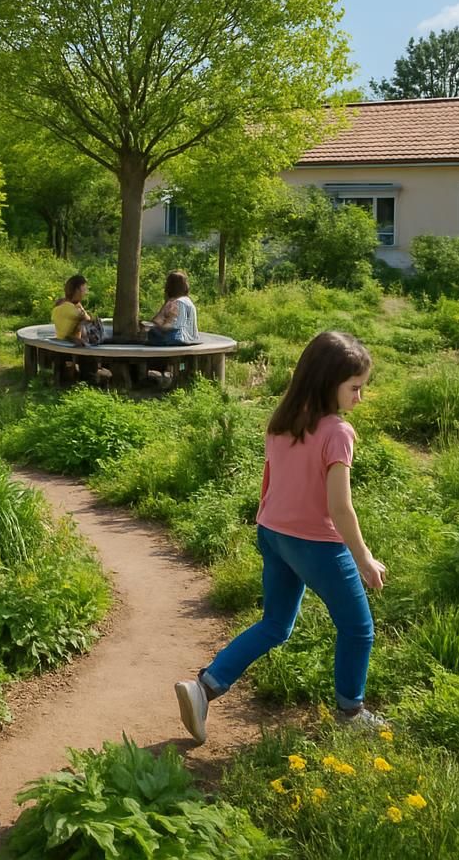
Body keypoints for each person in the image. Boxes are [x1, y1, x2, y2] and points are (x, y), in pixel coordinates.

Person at [175, 331, 385, 744]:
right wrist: (363, 558)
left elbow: (270, 481)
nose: (359, 397)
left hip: (273, 533)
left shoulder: (283, 421)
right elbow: (340, 507)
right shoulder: (337, 431)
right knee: (358, 629)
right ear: (329, 383)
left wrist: (268, 526)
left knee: (275, 623)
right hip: (317, 544)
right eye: (355, 388)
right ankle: (351, 711)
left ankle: (205, 687)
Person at [146, 270, 200, 346]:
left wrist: (158, 327)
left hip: (178, 338)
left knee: (152, 332)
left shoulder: (177, 303)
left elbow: (172, 326)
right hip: (191, 337)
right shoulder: (188, 301)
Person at [51, 274, 95, 346]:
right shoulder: (72, 309)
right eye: (84, 289)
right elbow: (88, 320)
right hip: (71, 347)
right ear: (77, 290)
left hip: (59, 343)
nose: (86, 292)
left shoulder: (61, 304)